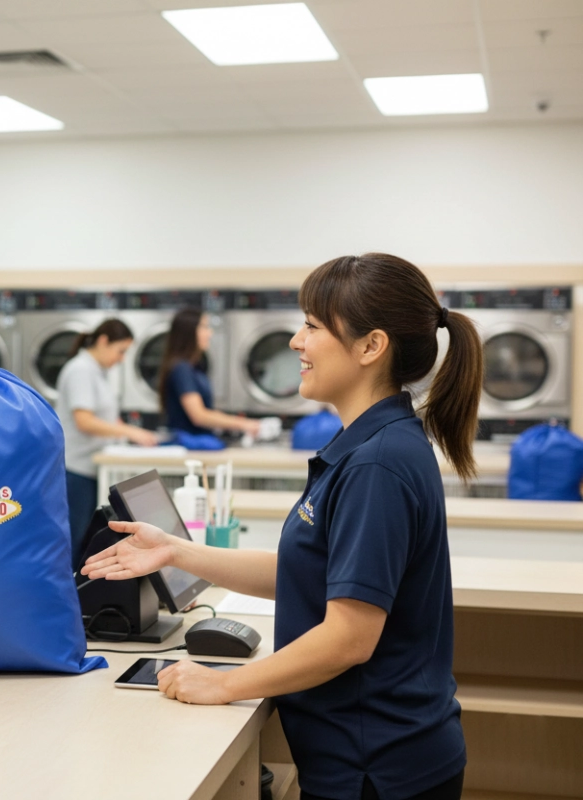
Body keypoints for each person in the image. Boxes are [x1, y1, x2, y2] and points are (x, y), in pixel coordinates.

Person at [84, 254, 481, 800]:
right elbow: (309, 573)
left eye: (313, 326)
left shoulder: (376, 464)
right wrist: (174, 551)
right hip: (371, 753)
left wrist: (224, 683)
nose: (296, 341)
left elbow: (348, 639)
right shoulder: (368, 446)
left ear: (371, 346)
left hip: (378, 766)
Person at [55, 318, 158, 565]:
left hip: (91, 467)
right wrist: (130, 433)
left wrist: (129, 432)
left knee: (83, 539)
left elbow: (105, 418)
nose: (121, 359)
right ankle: (68, 588)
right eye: (120, 351)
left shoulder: (97, 372)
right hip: (76, 469)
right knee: (72, 541)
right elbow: (84, 421)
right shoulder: (80, 370)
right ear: (103, 341)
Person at [159, 307, 260, 438]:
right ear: (189, 332)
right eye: (205, 327)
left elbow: (206, 411)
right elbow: (199, 416)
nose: (210, 333)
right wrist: (244, 424)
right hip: (188, 441)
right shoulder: (181, 370)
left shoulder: (194, 367)